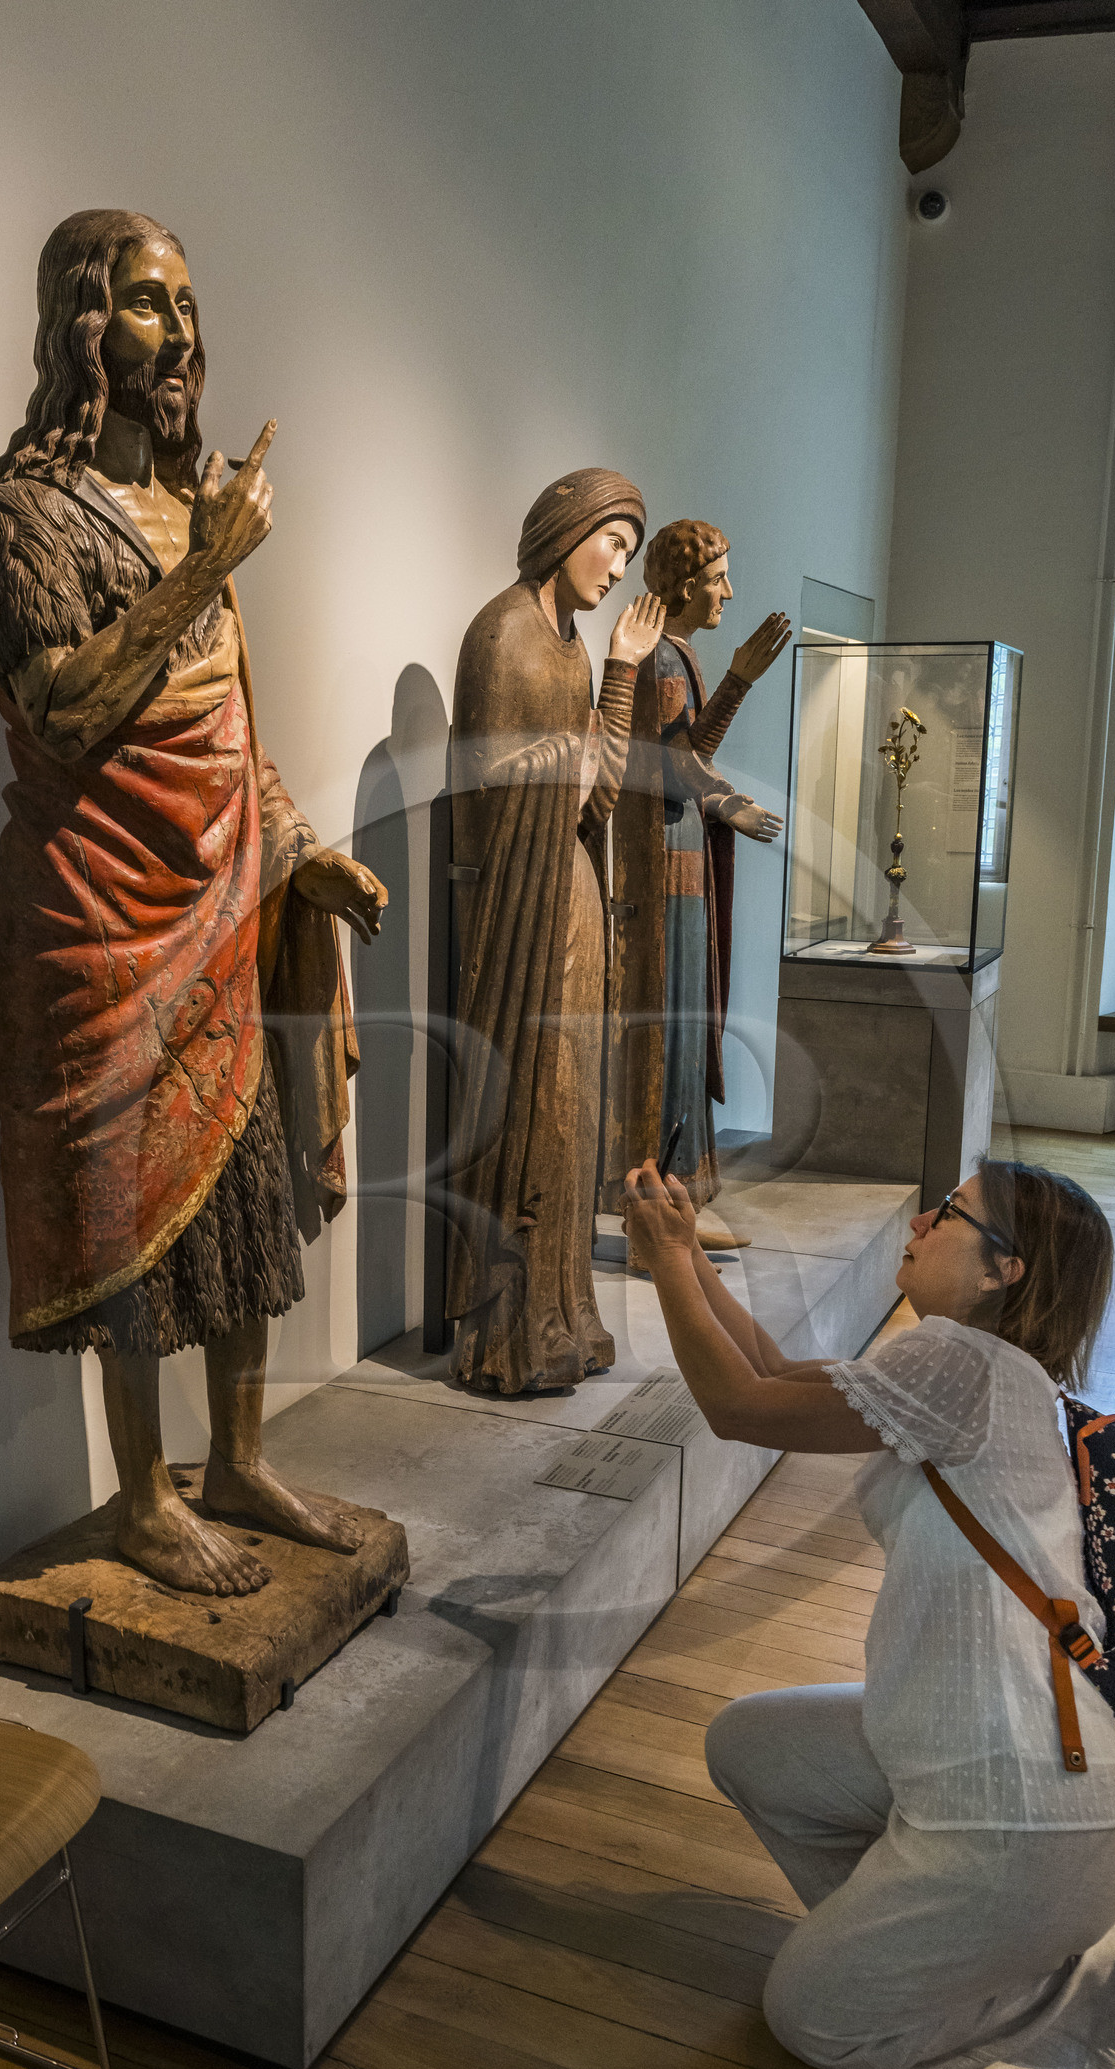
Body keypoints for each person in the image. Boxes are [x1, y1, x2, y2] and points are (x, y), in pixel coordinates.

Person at [0, 209, 387, 1597]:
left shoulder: (191, 500)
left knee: (242, 1194)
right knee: (129, 1213)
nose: (183, 334)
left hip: (215, 911)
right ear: (85, 327)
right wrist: (210, 564)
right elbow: (69, 706)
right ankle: (144, 1495)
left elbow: (228, 737)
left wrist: (300, 850)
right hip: (97, 923)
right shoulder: (23, 520)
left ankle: (241, 1460)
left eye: (191, 305)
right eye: (150, 304)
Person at [621, 1153, 1115, 2069]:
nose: (918, 1222)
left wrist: (663, 1260)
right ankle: (958, 1946)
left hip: (1031, 1814)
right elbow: (775, 1373)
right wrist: (685, 1247)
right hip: (1013, 1783)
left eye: (947, 1215)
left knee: (812, 2019)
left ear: (1004, 1272)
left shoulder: (961, 1362)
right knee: (754, 1745)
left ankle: (1108, 2002)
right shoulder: (989, 1376)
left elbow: (740, 1406)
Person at [444, 470, 665, 1394]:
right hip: (518, 901)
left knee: (573, 1107)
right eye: (613, 541)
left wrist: (618, 674)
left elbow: (599, 793)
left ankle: (565, 1314)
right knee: (532, 1109)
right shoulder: (502, 633)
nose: (619, 566)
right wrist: (573, 754)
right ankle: (512, 1332)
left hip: (569, 887)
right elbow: (487, 783)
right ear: (566, 532)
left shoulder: (572, 650)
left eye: (629, 550)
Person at [604, 521, 789, 1225]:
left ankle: (677, 1202)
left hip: (681, 856)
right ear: (684, 586)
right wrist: (728, 802)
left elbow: (691, 748)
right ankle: (660, 1205)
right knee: (672, 1028)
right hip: (661, 861)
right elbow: (668, 767)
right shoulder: (655, 660)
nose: (728, 593)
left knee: (686, 1022)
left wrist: (738, 677)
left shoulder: (676, 656)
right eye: (717, 580)